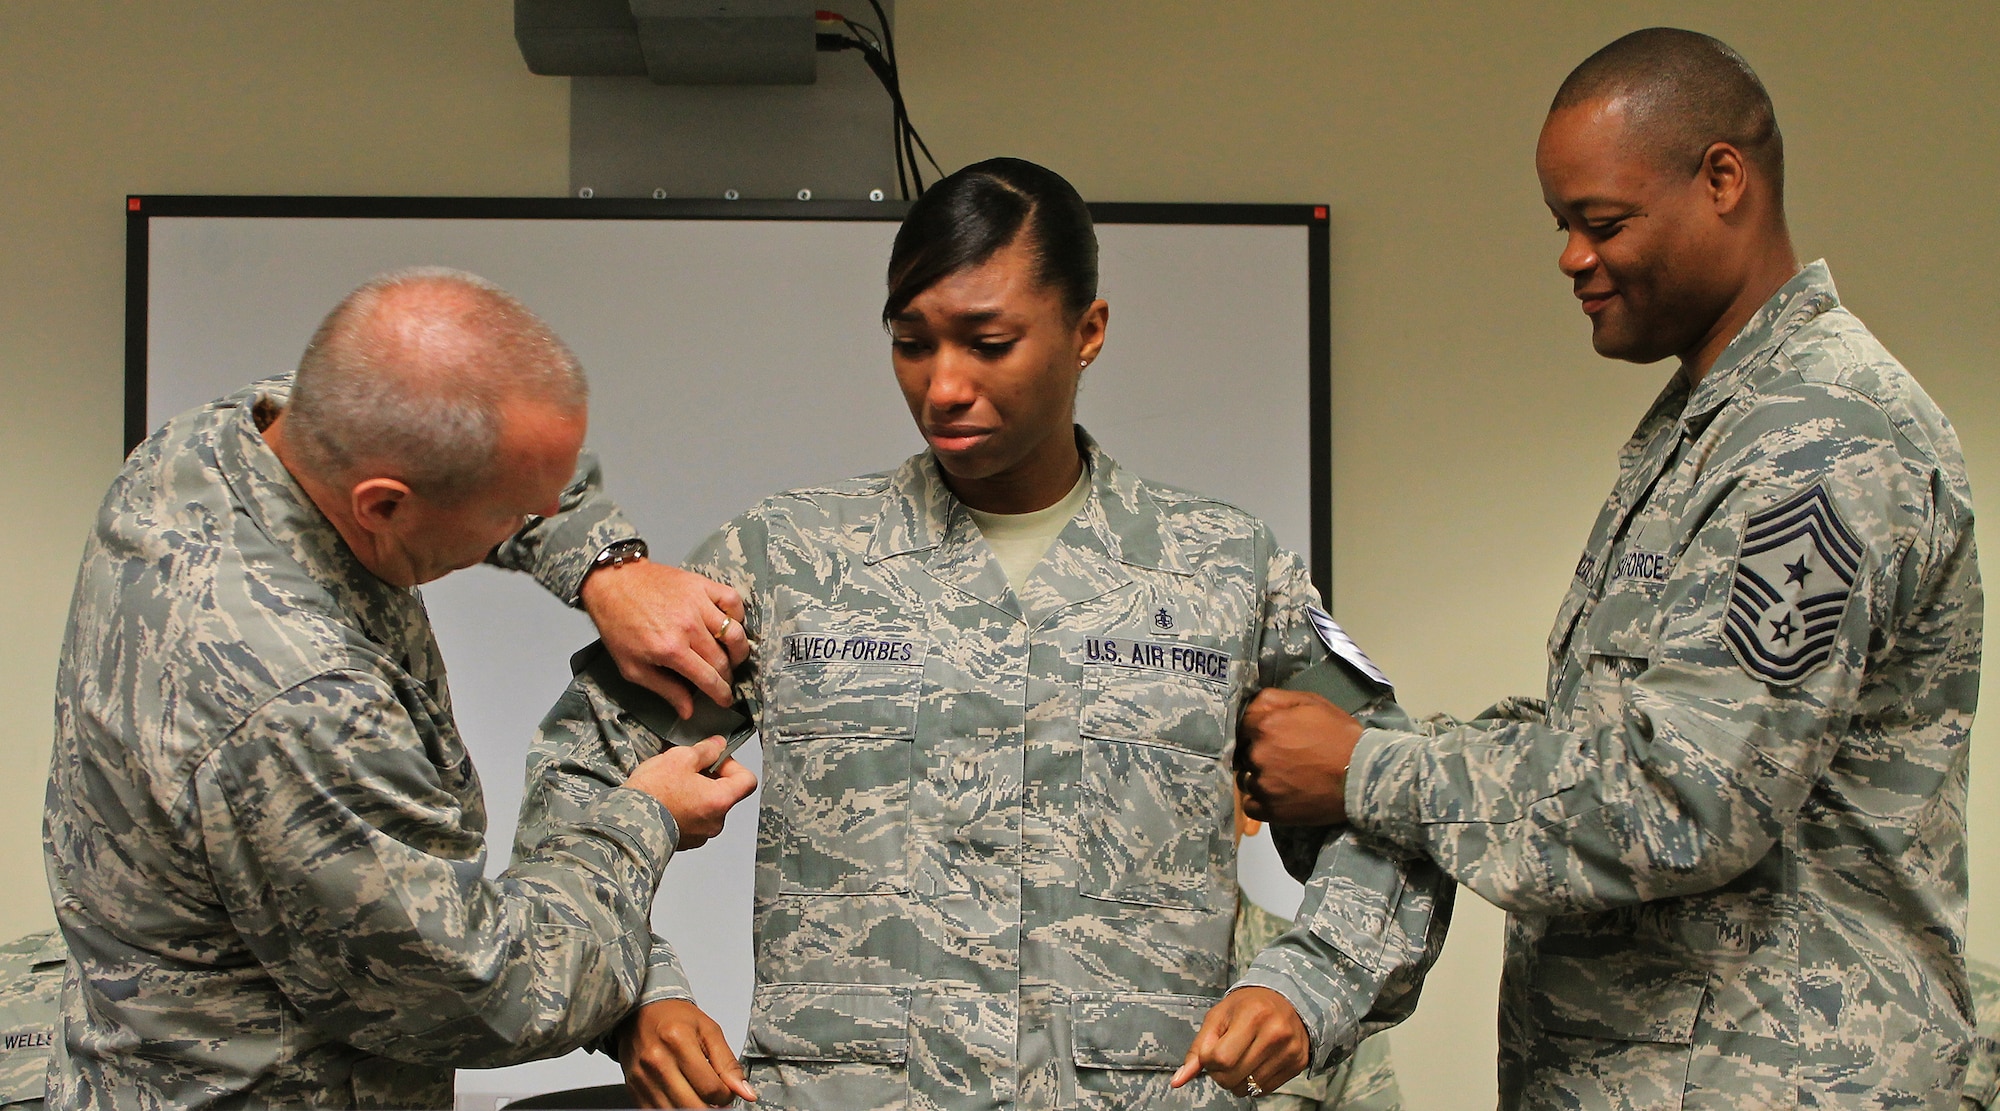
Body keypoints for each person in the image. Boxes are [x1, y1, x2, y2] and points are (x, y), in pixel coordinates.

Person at [515, 157, 1451, 1110]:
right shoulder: (790, 559)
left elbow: (1396, 807)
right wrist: (638, 993)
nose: (943, 386)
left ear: (1088, 332)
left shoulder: (1224, 571)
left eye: (988, 341)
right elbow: (581, 775)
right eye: (911, 343)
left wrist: (1306, 981)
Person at [1237, 28, 1982, 1109]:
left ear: (1721, 178)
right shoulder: (1710, 424)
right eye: (1561, 226)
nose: (1570, 258)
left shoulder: (1816, 442)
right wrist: (1392, 748)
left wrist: (1366, 769)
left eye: (1601, 222)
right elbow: (1605, 741)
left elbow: (1680, 797)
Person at [42, 268, 761, 1109]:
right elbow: (483, 990)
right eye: (511, 513)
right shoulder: (300, 700)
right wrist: (645, 819)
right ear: (382, 506)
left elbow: (437, 437)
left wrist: (605, 568)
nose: (529, 521)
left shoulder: (217, 445)